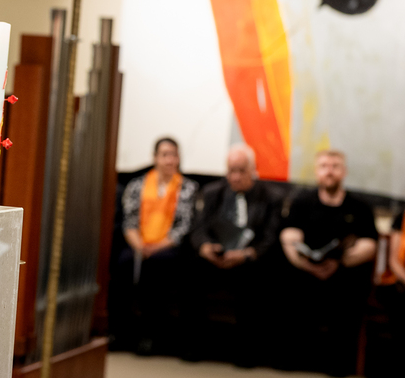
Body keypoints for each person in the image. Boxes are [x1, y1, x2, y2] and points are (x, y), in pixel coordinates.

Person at [280, 149, 377, 377]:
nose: (329, 171)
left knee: (349, 296)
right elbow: (289, 236)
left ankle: (339, 364)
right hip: (306, 272)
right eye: (324, 166)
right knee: (285, 284)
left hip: (344, 273)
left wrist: (340, 262)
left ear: (344, 171)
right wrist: (307, 265)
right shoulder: (302, 202)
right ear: (317, 171)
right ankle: (291, 357)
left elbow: (370, 245)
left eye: (335, 166)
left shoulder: (360, 207)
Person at [186, 144, 281, 366]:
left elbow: (270, 237)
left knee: (255, 278)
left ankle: (245, 351)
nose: (236, 177)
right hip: (215, 258)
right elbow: (198, 228)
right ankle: (193, 345)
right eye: (231, 171)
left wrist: (247, 254)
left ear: (253, 170)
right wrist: (205, 247)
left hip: (248, 261)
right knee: (190, 268)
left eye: (241, 171)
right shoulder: (212, 193)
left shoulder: (271, 197)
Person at [111, 137, 198, 354]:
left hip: (168, 247)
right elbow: (129, 222)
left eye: (174, 155)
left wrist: (156, 247)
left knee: (156, 267)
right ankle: (119, 331)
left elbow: (183, 227)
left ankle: (150, 334)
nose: (170, 160)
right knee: (123, 263)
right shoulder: (137, 185)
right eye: (165, 155)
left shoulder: (188, 188)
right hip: (139, 244)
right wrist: (139, 245)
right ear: (155, 158)